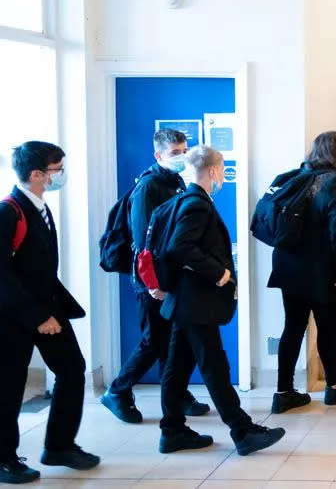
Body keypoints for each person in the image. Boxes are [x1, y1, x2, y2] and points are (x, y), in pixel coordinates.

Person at [158, 145, 285, 456]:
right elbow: (180, 246)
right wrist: (220, 274)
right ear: (214, 171)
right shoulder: (197, 204)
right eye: (224, 168)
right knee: (215, 367)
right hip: (196, 302)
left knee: (177, 367)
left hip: (185, 301)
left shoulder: (182, 199)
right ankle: (242, 431)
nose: (224, 174)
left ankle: (172, 431)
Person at [0, 142, 100, 484]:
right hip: (15, 318)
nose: (62, 175)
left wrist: (53, 310)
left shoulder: (40, 208)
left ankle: (59, 445)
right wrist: (37, 316)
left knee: (73, 371)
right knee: (8, 388)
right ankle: (5, 459)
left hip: (49, 311)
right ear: (38, 174)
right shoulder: (8, 211)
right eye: (58, 169)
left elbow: (39, 268)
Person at [100, 129, 209, 424]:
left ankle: (176, 394)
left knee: (170, 339)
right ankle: (117, 391)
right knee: (155, 340)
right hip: (151, 279)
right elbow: (142, 243)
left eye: (184, 150)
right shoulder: (148, 188)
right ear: (158, 155)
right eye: (175, 152)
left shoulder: (175, 181)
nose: (182, 156)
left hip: (168, 275)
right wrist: (153, 284)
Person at [268, 131, 336, 414]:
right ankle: (334, 388)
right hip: (320, 270)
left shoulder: (294, 176)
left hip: (288, 266)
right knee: (327, 327)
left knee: (293, 327)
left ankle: (283, 392)